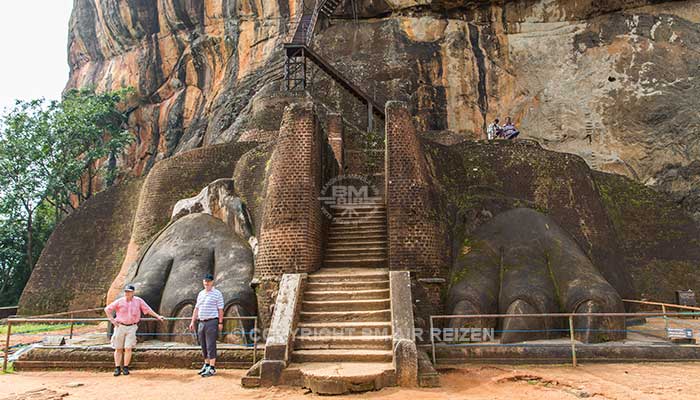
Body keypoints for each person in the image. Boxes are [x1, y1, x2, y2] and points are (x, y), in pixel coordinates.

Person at [104, 284, 164, 377]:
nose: (127, 293)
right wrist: (112, 321)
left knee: (128, 348)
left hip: (132, 327)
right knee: (118, 348)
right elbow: (107, 309)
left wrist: (157, 316)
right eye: (126, 292)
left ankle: (125, 367)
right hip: (120, 326)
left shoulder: (138, 301)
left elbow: (147, 309)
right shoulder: (120, 301)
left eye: (129, 292)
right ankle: (117, 367)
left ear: (133, 292)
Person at [189, 273, 225, 378]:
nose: (207, 284)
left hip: (211, 321)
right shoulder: (201, 294)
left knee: (210, 344)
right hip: (201, 321)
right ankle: (207, 364)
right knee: (203, 344)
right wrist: (192, 321)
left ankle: (212, 367)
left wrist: (220, 322)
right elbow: (196, 308)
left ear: (212, 282)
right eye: (205, 282)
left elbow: (220, 309)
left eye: (208, 282)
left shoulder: (217, 293)